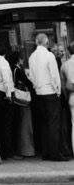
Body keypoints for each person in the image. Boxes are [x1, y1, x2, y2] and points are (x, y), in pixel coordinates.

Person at [28, 33, 68, 161]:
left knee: (44, 123)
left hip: (39, 93)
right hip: (50, 92)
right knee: (54, 124)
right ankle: (55, 153)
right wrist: (58, 91)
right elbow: (54, 75)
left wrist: (36, 87)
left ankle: (45, 152)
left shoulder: (32, 56)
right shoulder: (49, 55)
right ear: (46, 42)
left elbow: (31, 76)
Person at [7, 51, 35, 159]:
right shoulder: (17, 69)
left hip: (18, 100)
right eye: (22, 58)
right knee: (24, 124)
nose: (23, 60)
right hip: (22, 99)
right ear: (18, 59)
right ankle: (24, 149)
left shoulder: (13, 68)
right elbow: (26, 82)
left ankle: (22, 149)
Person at [60, 43, 74, 157]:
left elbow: (64, 85)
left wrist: (67, 96)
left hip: (72, 97)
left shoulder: (65, 65)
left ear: (68, 52)